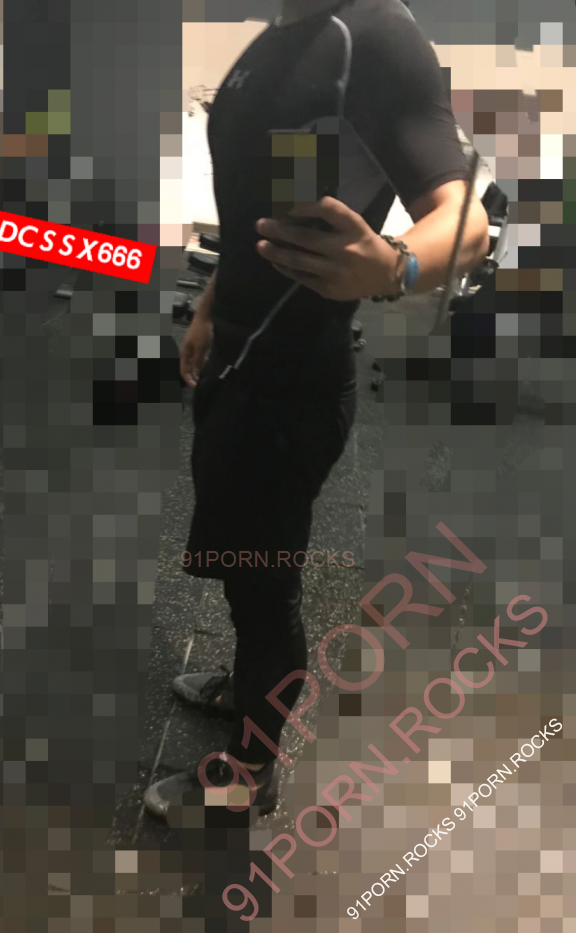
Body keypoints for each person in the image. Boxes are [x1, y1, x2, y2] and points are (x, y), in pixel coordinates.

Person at [144, 0, 489, 820]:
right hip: (238, 360)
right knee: (242, 567)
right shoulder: (278, 39)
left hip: (291, 383)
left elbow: (466, 222)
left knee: (265, 588)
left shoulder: (374, 34)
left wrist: (397, 265)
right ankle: (248, 687)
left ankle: (249, 774)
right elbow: (259, 216)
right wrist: (210, 307)